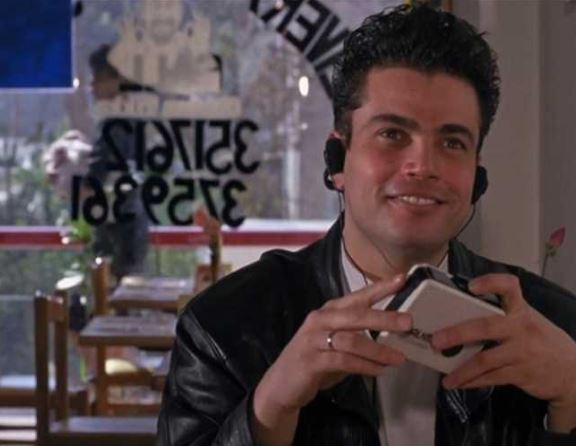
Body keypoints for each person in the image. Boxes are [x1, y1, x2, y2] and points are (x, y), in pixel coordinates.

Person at [156, 3, 576, 445]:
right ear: (338, 161)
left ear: (477, 177)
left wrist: (571, 399)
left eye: (452, 142)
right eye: (392, 134)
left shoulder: (555, 326)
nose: (423, 166)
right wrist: (269, 408)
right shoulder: (222, 328)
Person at [87, 44, 150, 281]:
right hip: (124, 224)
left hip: (121, 226)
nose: (92, 86)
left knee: (118, 289)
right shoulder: (130, 120)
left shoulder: (119, 124)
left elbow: (99, 173)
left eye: (98, 79)